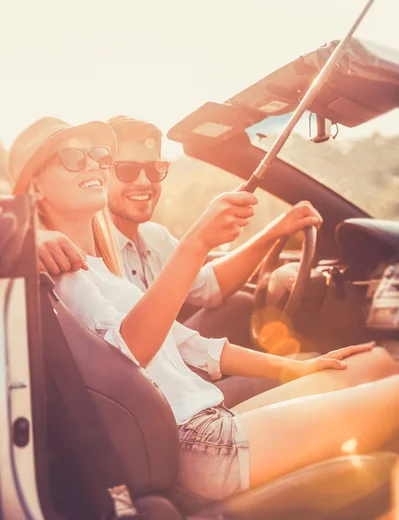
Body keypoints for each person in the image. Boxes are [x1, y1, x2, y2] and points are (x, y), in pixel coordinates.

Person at [9, 116, 399, 502]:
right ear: (36, 186)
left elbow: (186, 343)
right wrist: (194, 245)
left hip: (206, 422)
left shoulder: (99, 268)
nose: (93, 163)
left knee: (378, 363)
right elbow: (128, 354)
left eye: (97, 155)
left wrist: (299, 367)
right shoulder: (57, 269)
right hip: (196, 442)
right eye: (73, 157)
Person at [34, 115, 318, 405]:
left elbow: (208, 290)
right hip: (153, 402)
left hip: (175, 375)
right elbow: (129, 353)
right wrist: (32, 237)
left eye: (154, 169)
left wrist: (274, 232)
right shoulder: (71, 253)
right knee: (307, 381)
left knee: (240, 307)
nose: (144, 181)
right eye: (128, 170)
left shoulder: (153, 237)